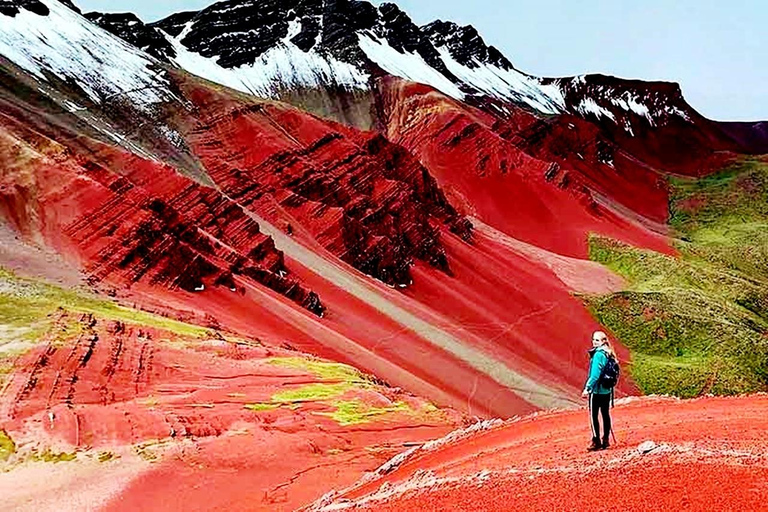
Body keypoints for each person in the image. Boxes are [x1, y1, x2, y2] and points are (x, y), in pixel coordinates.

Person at [582, 330, 615, 451]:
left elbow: (595, 375)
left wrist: (587, 388)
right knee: (605, 414)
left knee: (594, 416)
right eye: (593, 339)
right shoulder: (609, 353)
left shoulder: (598, 355)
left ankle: (596, 441)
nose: (594, 342)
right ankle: (606, 440)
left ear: (603, 341)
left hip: (596, 391)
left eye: (597, 340)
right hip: (607, 391)